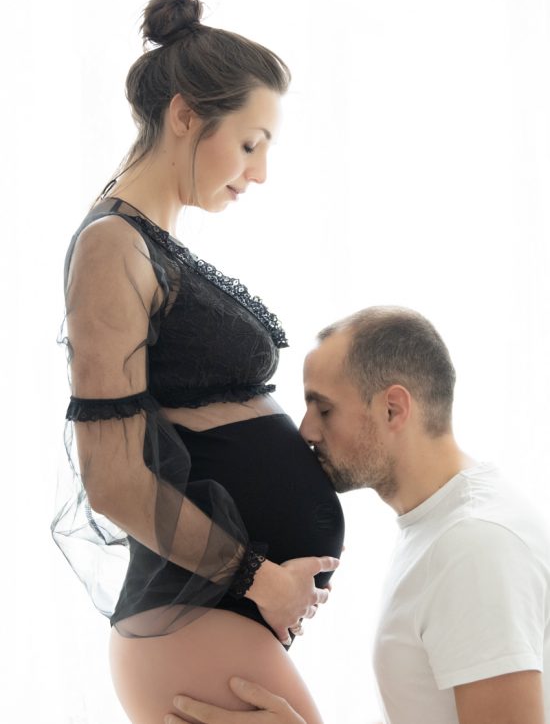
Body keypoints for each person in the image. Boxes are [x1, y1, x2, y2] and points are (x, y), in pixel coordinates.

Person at [51, 0, 344, 724]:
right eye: (249, 143)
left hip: (210, 616)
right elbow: (112, 478)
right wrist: (259, 578)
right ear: (186, 116)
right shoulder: (111, 246)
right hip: (194, 615)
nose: (260, 171)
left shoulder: (148, 243)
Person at [166, 306, 550, 724]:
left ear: (393, 409)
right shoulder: (444, 528)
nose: (306, 431)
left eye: (324, 409)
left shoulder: (474, 545)